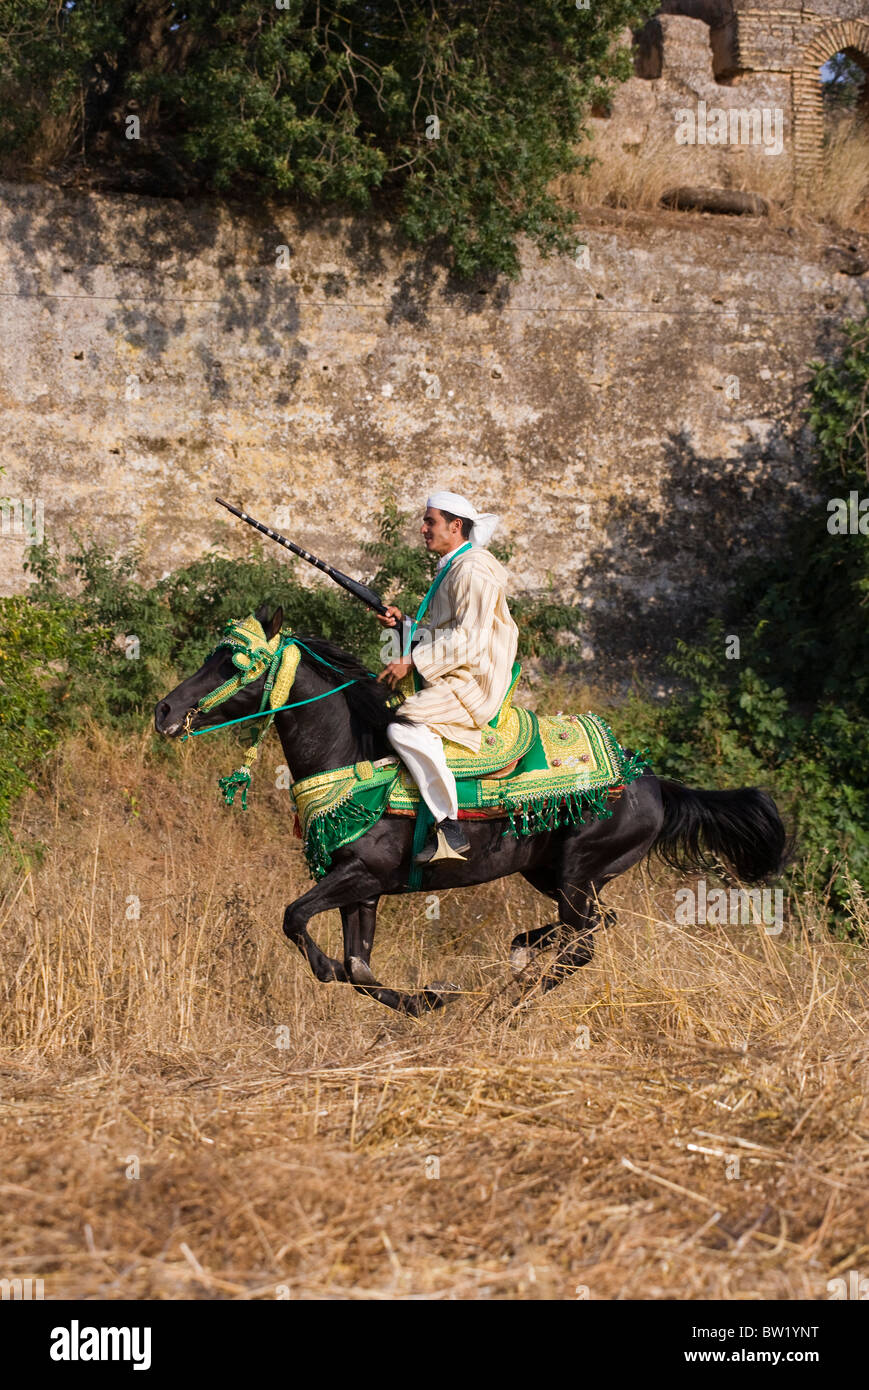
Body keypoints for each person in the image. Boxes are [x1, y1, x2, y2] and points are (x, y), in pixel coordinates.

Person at [376, 489, 519, 864]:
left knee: (402, 726)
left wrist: (410, 661)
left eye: (430, 522)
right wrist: (404, 623)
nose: (423, 529)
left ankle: (448, 827)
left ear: (455, 527)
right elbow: (443, 631)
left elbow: (469, 641)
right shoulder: (454, 568)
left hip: (473, 679)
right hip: (454, 671)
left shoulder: (472, 570)